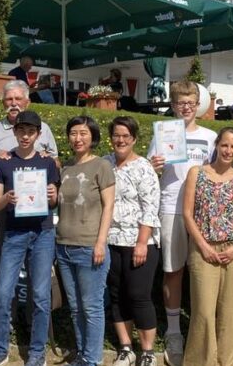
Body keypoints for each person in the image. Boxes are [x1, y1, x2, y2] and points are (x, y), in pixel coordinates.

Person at [147, 81, 217, 366]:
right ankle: (174, 333)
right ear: (173, 105)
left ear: (198, 104)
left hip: (203, 213)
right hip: (171, 209)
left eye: (190, 103)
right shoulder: (161, 134)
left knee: (203, 274)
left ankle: (202, 332)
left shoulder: (211, 136)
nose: (186, 108)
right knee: (173, 272)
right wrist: (154, 167)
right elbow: (150, 171)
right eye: (180, 103)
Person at [0, 111, 60, 366]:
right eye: (21, 131)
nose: (26, 136)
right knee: (3, 294)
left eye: (31, 132)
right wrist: (7, 199)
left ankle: (37, 353)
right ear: (14, 132)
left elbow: (54, 200)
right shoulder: (4, 162)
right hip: (14, 234)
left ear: (39, 134)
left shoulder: (48, 163)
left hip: (42, 233)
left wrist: (51, 195)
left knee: (40, 295)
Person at [182, 127, 233, 366]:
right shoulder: (197, 173)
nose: (228, 150)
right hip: (203, 251)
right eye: (224, 145)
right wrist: (203, 246)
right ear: (217, 145)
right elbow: (187, 214)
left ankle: (232, 361)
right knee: (203, 311)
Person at [58, 115, 115, 366]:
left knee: (92, 308)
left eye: (83, 133)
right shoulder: (65, 168)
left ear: (92, 137)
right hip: (63, 246)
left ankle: (91, 359)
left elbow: (109, 205)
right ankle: (82, 354)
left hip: (90, 246)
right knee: (75, 307)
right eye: (73, 133)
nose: (78, 138)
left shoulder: (101, 166)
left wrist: (100, 242)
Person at [104, 116, 161, 366]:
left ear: (135, 139)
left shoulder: (144, 167)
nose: (121, 140)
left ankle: (147, 351)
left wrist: (141, 242)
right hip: (110, 240)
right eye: (117, 135)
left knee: (139, 295)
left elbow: (150, 208)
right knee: (117, 296)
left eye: (126, 136)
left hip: (140, 241)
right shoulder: (105, 164)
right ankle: (126, 348)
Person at [0, 80, 58, 253]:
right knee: (2, 258)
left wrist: (46, 157)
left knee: (36, 265)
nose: (13, 103)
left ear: (27, 102)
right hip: (5, 207)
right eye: (9, 99)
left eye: (18, 99)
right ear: (3, 103)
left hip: (37, 208)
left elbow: (57, 164)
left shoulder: (44, 128)